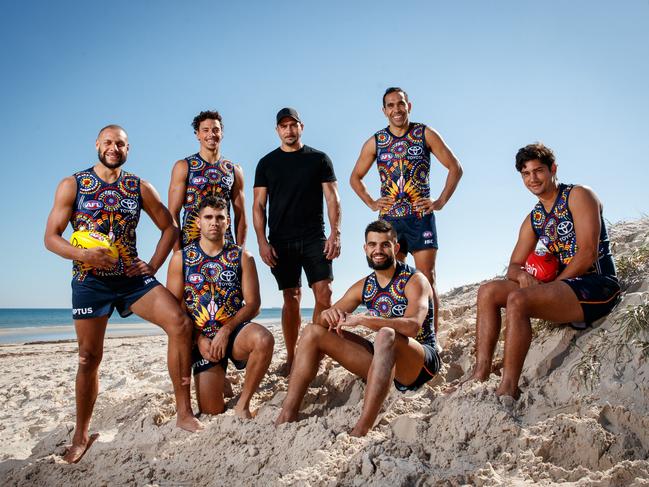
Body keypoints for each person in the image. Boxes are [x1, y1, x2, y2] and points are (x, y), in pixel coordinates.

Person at [44, 125, 202, 463]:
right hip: (90, 281)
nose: (113, 148)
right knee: (89, 358)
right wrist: (85, 255)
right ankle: (81, 433)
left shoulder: (138, 186)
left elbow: (170, 227)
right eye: (108, 142)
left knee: (179, 323)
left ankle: (184, 412)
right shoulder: (73, 184)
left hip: (131, 279)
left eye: (120, 143)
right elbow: (52, 237)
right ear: (97, 144)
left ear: (128, 148)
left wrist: (154, 266)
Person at [466, 142, 621, 398]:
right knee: (488, 291)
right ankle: (480, 372)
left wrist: (551, 286)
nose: (532, 178)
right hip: (562, 289)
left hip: (597, 285)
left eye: (538, 170)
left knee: (518, 300)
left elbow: (587, 253)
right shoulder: (535, 218)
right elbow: (513, 266)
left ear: (553, 169)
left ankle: (508, 388)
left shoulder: (579, 195)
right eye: (526, 174)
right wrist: (523, 276)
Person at [276, 220, 441, 436]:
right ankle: (288, 414)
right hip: (384, 360)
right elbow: (324, 322)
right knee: (311, 332)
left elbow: (411, 326)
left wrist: (364, 320)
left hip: (419, 363)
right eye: (372, 245)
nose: (378, 251)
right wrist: (327, 314)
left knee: (385, 334)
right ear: (365, 249)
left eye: (384, 245)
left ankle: (362, 428)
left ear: (396, 248)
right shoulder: (365, 285)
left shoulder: (414, 280)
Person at [350, 87, 463, 335]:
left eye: (400, 104)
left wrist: (441, 201)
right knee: (392, 280)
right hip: (389, 223)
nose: (396, 110)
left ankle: (430, 336)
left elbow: (455, 168)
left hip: (420, 218)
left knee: (426, 277)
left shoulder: (425, 133)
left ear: (408, 106)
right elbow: (355, 178)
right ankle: (396, 333)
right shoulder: (376, 141)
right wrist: (371, 202)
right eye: (390, 105)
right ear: (384, 111)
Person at [167, 196, 274, 419]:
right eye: (208, 217)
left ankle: (243, 404)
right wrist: (198, 339)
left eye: (219, 217)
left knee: (264, 339)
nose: (214, 222)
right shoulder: (181, 259)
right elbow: (174, 308)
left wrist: (226, 331)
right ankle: (219, 376)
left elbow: (254, 304)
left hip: (234, 333)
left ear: (227, 222)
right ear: (198, 222)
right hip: (203, 341)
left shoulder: (243, 257)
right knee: (211, 410)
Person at [253, 107, 341, 373]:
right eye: (284, 126)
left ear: (301, 127)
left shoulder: (319, 159)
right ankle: (293, 356)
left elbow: (333, 198)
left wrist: (335, 233)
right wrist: (262, 242)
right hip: (281, 239)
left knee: (324, 293)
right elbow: (258, 206)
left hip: (315, 236)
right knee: (291, 296)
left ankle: (312, 349)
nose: (289, 130)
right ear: (278, 130)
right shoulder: (266, 163)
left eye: (293, 125)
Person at [168, 110, 247, 250]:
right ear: (198, 134)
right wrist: (177, 253)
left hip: (225, 247)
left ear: (222, 133)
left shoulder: (234, 170)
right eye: (205, 130)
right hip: (191, 246)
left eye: (216, 130)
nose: (211, 134)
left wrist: (240, 251)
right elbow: (173, 213)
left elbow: (240, 215)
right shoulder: (184, 166)